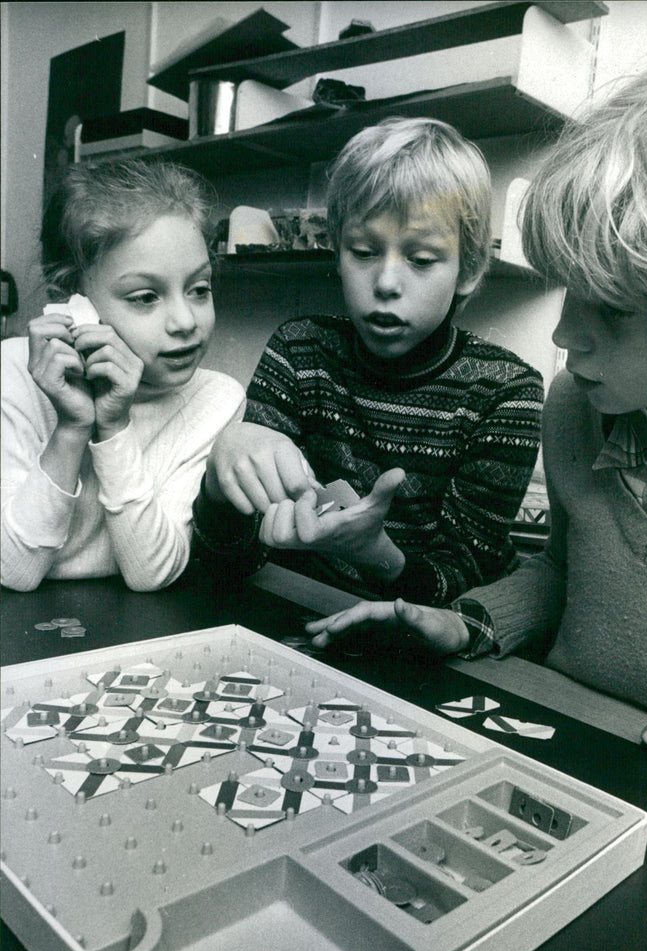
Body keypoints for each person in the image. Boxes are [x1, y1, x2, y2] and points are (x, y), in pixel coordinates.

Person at [306, 40, 647, 780]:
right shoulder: (574, 406)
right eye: (570, 290)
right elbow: (564, 574)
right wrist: (467, 621)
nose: (565, 335)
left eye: (614, 310)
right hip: (566, 740)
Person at [192, 116, 543, 606]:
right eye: (363, 251)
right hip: (306, 615)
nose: (386, 283)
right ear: (336, 251)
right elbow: (229, 561)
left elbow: (465, 586)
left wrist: (376, 554)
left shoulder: (506, 390)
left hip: (416, 650)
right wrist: (218, 486)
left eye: (421, 260)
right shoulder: (299, 352)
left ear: (470, 269)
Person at [1, 157, 245, 592]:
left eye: (200, 289)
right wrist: (72, 428)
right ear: (71, 302)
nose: (185, 321)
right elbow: (14, 572)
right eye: (146, 297)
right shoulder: (13, 375)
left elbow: (152, 573)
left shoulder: (216, 399)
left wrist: (112, 426)